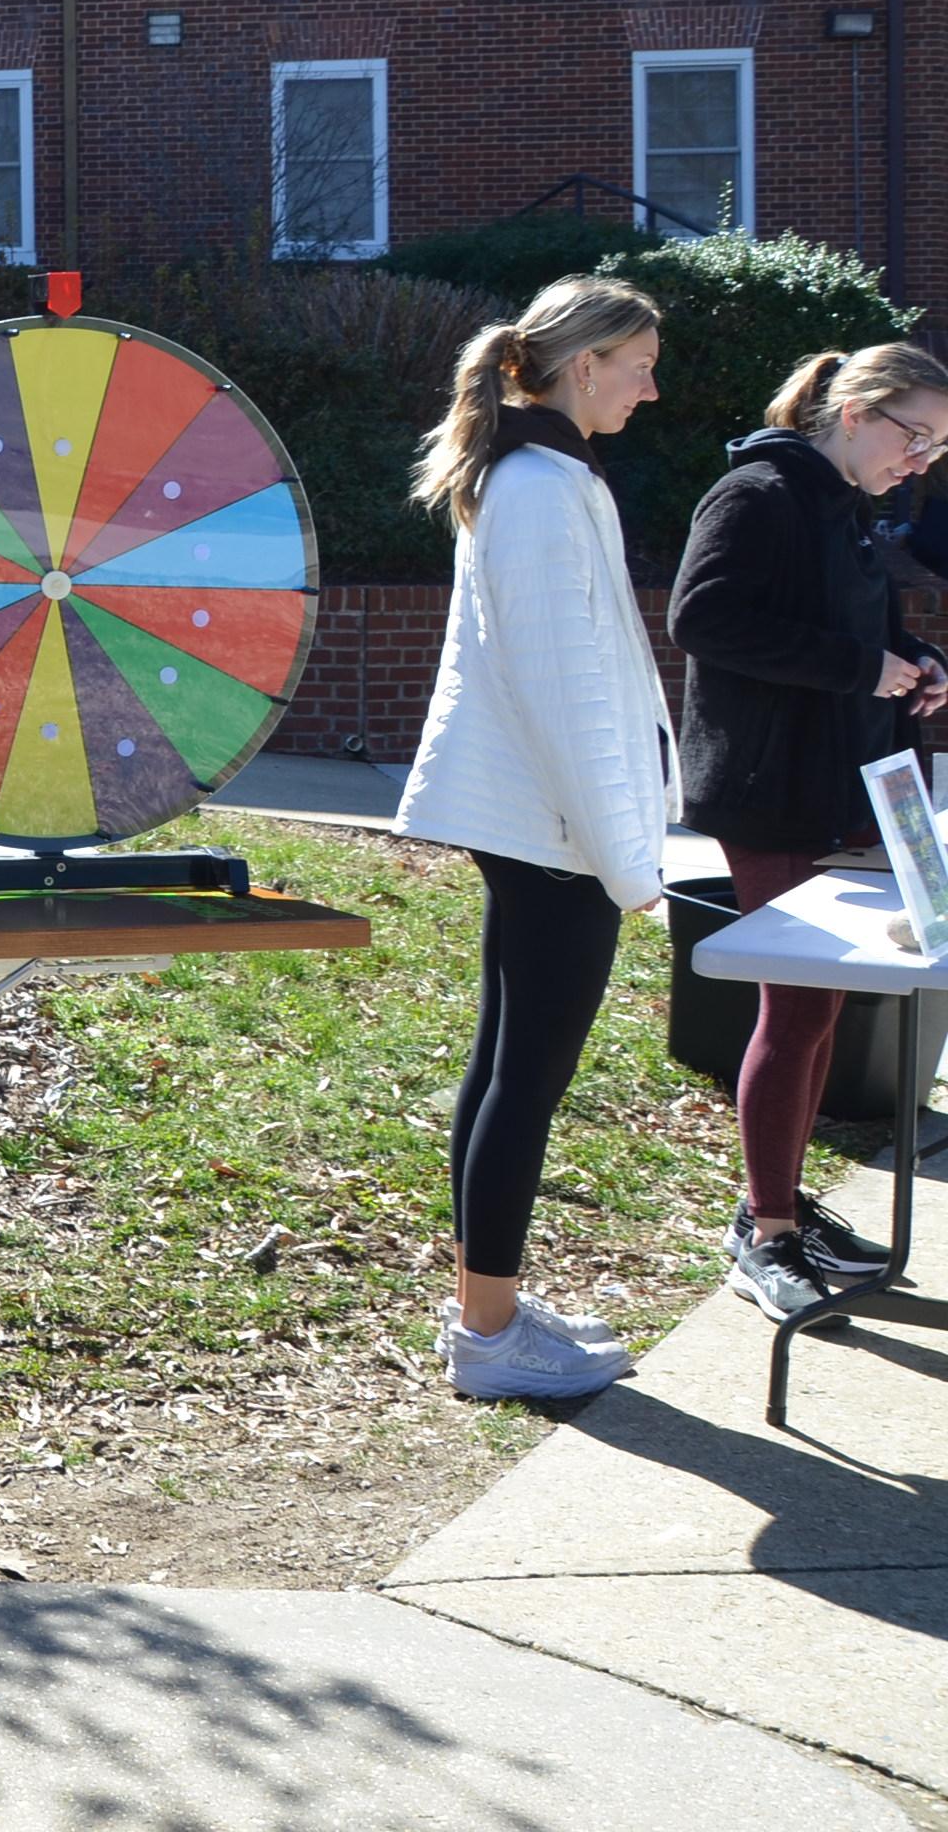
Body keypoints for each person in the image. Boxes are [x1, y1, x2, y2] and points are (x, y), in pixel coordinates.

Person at [392, 274, 671, 1402]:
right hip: (557, 831)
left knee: (508, 1068)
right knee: (527, 1076)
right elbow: (565, 695)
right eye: (641, 364)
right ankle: (491, 1335)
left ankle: (487, 1308)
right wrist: (626, 857)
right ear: (584, 363)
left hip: (543, 827)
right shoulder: (544, 487)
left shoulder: (538, 475)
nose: (652, 389)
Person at [671, 343, 948, 1320]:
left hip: (840, 786)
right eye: (913, 437)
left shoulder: (848, 508)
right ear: (858, 410)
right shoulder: (757, 492)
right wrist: (857, 667)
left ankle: (780, 1203)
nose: (920, 462)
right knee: (795, 1014)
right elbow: (703, 620)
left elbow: (857, 629)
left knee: (820, 1012)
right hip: (770, 791)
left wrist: (914, 659)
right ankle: (766, 1231)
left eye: (936, 449)